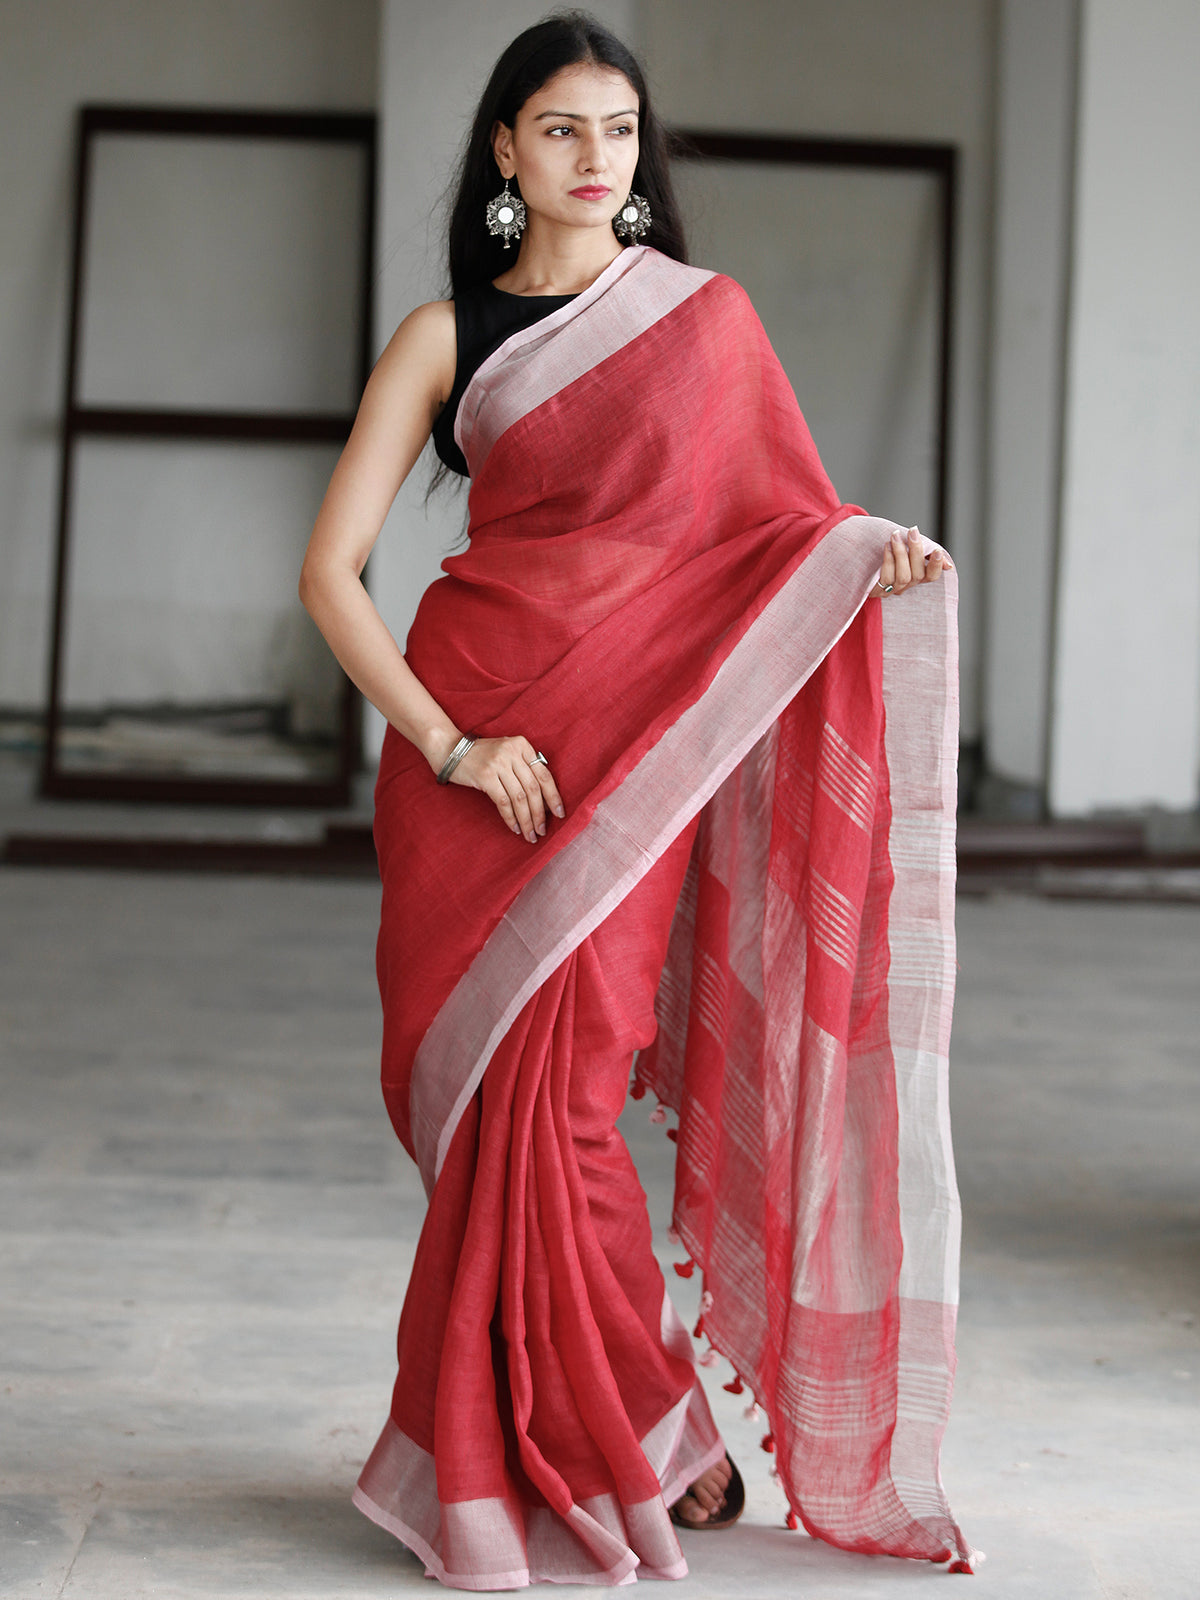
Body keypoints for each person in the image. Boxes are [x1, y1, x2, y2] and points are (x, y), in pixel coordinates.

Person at [299, 10, 972, 1589]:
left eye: (617, 130)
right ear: (503, 153)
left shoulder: (704, 321)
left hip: (626, 761)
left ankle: (638, 1429)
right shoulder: (441, 335)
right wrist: (454, 746)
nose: (594, 159)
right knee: (488, 1129)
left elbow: (770, 524)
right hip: (474, 750)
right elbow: (331, 577)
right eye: (559, 130)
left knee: (579, 1102)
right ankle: (595, 1439)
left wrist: (865, 552)